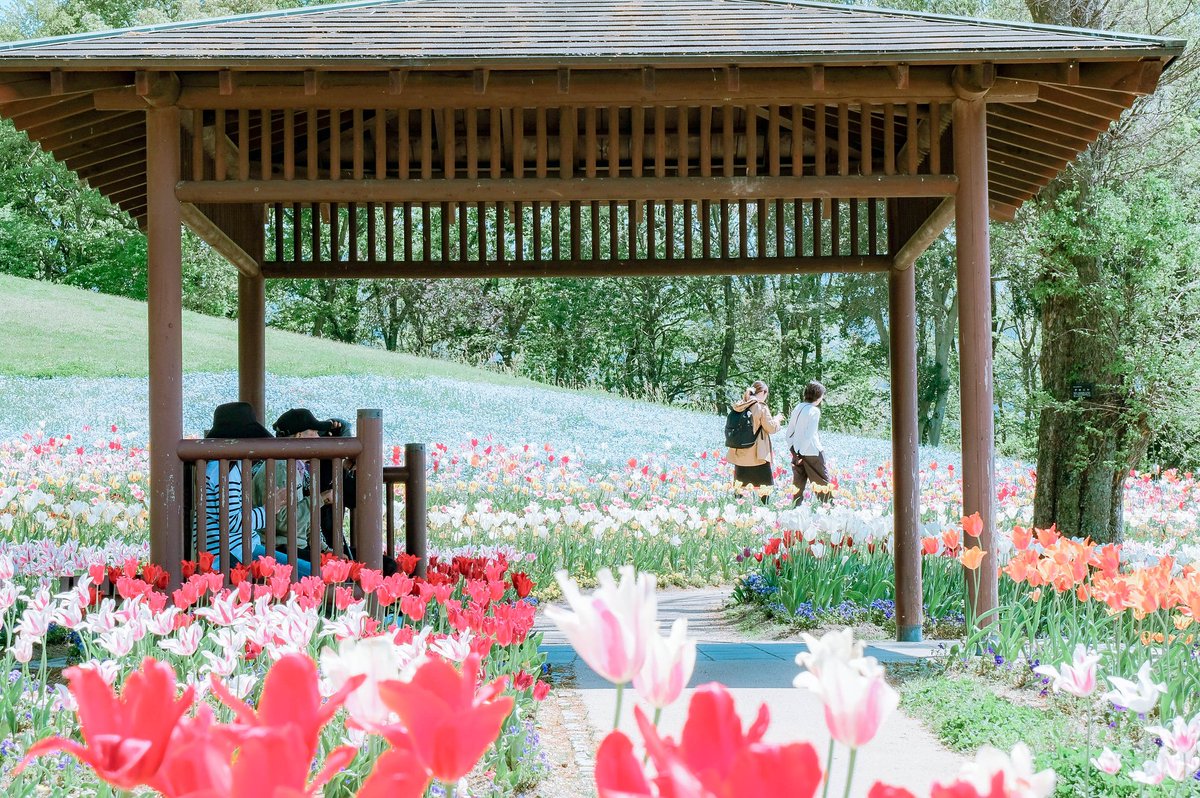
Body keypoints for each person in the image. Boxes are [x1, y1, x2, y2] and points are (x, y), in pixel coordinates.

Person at [199, 402, 290, 568]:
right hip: (234, 553)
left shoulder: (218, 465)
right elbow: (231, 522)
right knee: (309, 574)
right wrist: (269, 509)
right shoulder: (226, 470)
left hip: (226, 551)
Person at [271, 408, 355, 558]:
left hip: (296, 547)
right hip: (280, 549)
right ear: (298, 436)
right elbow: (282, 522)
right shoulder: (282, 467)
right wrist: (320, 499)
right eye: (315, 433)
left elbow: (307, 522)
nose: (319, 438)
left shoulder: (297, 468)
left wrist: (325, 550)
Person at [727, 380, 782, 503]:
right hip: (757, 455)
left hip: (740, 454)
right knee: (764, 487)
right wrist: (777, 420)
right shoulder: (760, 406)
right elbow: (771, 428)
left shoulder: (740, 405)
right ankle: (764, 511)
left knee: (740, 489)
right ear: (763, 392)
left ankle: (737, 512)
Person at [785, 380, 834, 507]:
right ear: (818, 396)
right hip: (812, 452)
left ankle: (795, 512)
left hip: (796, 451)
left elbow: (789, 432)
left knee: (798, 485)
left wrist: (794, 451)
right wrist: (801, 452)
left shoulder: (798, 407)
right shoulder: (814, 411)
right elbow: (809, 435)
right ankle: (830, 511)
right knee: (822, 485)